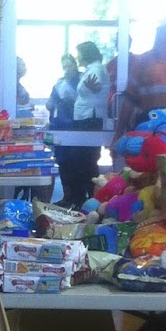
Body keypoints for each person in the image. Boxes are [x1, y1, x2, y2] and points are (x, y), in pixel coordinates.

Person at [114, 19, 166, 139]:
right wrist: (118, 135)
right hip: (148, 130)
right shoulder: (142, 62)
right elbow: (129, 100)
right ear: (162, 31)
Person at [57, 39, 110, 209]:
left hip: (89, 118)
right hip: (84, 118)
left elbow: (97, 89)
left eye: (79, 54)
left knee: (86, 160)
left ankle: (90, 199)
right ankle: (81, 199)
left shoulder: (96, 70)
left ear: (86, 54)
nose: (78, 57)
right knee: (82, 159)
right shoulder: (90, 70)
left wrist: (96, 89)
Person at [47, 53, 81, 204]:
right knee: (63, 163)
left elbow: (82, 100)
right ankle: (67, 197)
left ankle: (78, 198)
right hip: (59, 126)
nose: (67, 69)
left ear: (75, 65)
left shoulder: (81, 81)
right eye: (64, 66)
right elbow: (51, 101)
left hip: (76, 128)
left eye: (69, 65)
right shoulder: (60, 83)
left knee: (77, 163)